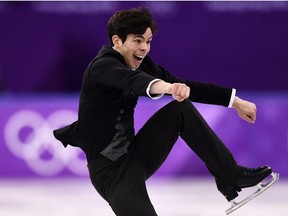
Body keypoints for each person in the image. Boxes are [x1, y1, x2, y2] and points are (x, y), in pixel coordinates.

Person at [53, 6, 275, 216]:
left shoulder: (141, 63)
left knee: (181, 109)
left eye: (148, 41)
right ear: (117, 41)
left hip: (137, 155)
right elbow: (135, 81)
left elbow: (186, 86)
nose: (144, 48)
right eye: (137, 41)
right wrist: (168, 88)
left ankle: (230, 175)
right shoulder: (102, 66)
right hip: (111, 173)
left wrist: (235, 101)